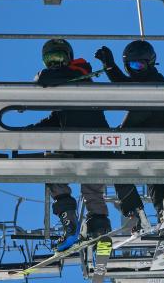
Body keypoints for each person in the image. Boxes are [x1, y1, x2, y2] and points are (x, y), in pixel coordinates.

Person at [29, 39, 111, 251]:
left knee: (90, 180)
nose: (54, 64)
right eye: (50, 60)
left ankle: (98, 223)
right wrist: (27, 131)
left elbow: (43, 78)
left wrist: (45, 75)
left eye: (59, 58)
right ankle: (78, 223)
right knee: (52, 165)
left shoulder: (79, 74)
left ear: (69, 58)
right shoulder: (66, 81)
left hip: (92, 143)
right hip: (78, 145)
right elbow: (57, 118)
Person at [94, 41, 164, 228]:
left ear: (150, 63)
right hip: (142, 143)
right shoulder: (139, 83)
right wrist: (110, 66)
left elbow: (139, 110)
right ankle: (135, 210)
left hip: (160, 140)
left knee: (156, 176)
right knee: (120, 168)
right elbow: (125, 86)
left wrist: (121, 133)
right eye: (130, 66)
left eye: (139, 65)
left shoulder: (156, 83)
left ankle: (163, 209)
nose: (135, 70)